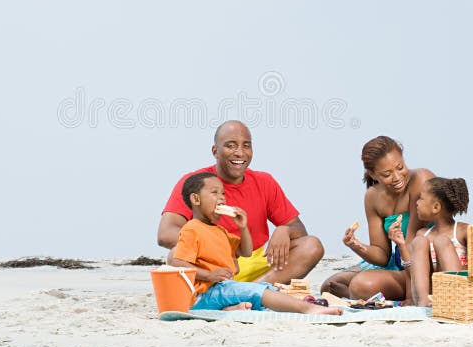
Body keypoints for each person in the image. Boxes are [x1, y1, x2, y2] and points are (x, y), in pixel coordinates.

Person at [157, 120, 323, 285]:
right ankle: (242, 292)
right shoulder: (195, 182)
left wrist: (284, 230)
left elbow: (300, 230)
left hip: (257, 262)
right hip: (212, 266)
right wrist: (220, 248)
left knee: (312, 246)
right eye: (230, 145)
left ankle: (254, 290)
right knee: (175, 254)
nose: (240, 153)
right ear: (215, 151)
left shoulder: (264, 182)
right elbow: (165, 234)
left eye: (246, 146)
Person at [170, 172, 342, 315]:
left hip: (222, 289)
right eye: (215, 193)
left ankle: (231, 309)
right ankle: (308, 309)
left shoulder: (219, 231)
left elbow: (245, 252)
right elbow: (178, 263)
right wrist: (209, 276)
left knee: (264, 289)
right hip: (203, 295)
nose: (222, 198)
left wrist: (243, 227)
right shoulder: (191, 229)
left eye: (223, 193)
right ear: (196, 199)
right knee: (253, 291)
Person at [320, 136, 434, 301]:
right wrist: (356, 245)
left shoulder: (421, 179)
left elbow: (411, 245)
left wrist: (411, 298)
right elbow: (381, 256)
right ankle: (365, 296)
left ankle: (366, 295)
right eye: (387, 174)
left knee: (360, 285)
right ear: (373, 174)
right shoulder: (372, 196)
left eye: (400, 167)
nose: (397, 177)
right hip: (397, 264)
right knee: (329, 286)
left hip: (422, 266)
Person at [405, 177, 470, 307]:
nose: (416, 203)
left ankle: (451, 300)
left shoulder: (463, 231)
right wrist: (401, 244)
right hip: (430, 293)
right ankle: (423, 301)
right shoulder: (423, 234)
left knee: (441, 242)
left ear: (435, 207)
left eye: (421, 198)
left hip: (457, 290)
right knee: (418, 241)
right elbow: (413, 270)